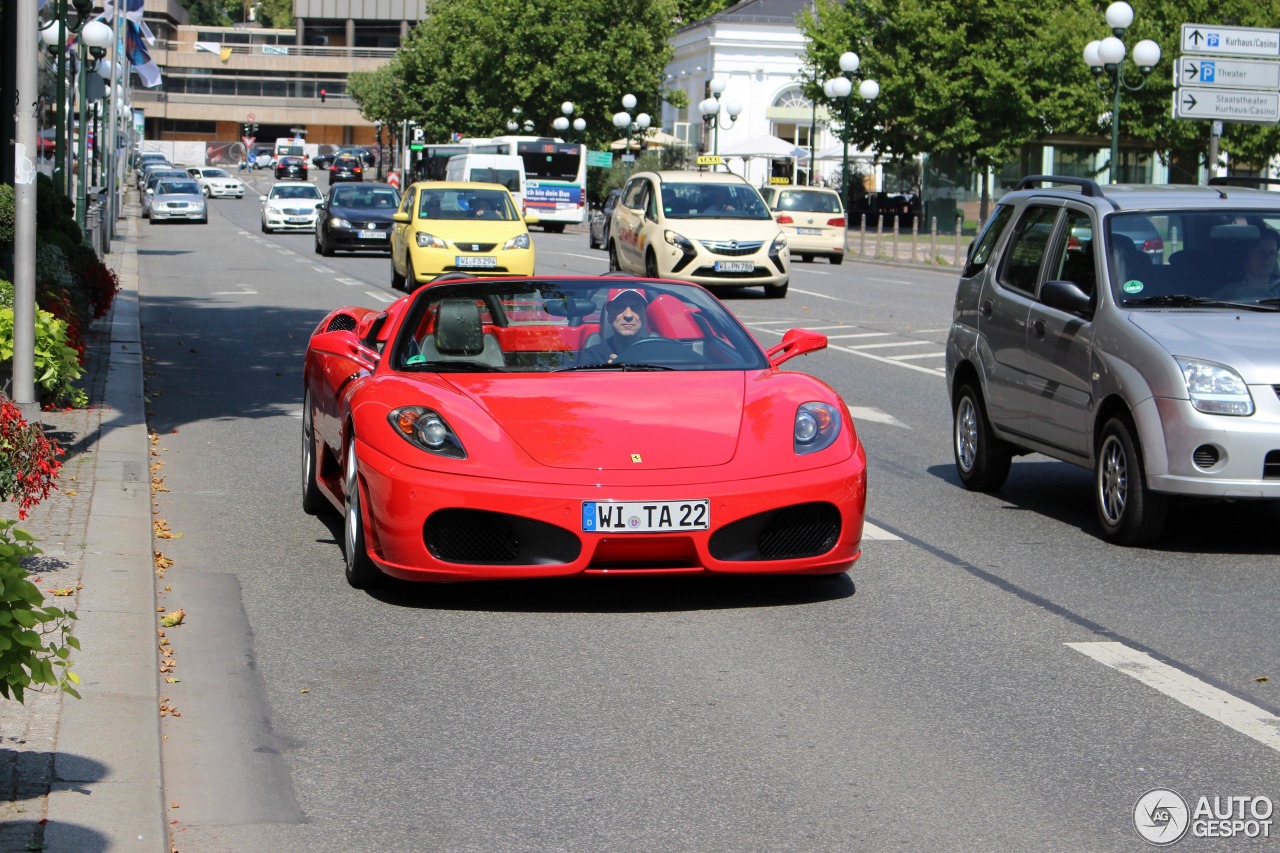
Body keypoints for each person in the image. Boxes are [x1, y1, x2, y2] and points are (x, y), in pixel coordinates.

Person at [579, 290, 651, 365]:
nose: (628, 315)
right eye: (620, 307)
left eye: (636, 307)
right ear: (609, 316)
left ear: (644, 316)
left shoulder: (656, 355)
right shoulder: (593, 356)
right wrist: (609, 371)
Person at [1220, 228, 1280, 300]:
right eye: (1260, 252)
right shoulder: (1227, 293)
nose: (1267, 258)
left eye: (1272, 253)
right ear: (1244, 256)